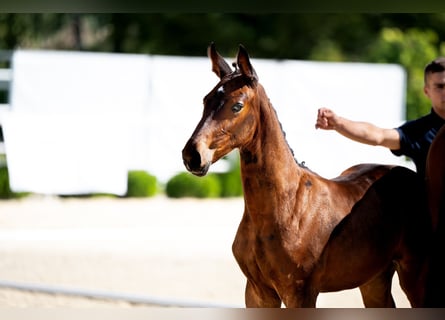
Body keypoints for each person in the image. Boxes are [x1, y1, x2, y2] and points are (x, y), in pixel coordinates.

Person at [315, 57, 445, 178]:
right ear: (427, 91)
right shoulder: (418, 132)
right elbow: (378, 135)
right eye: (440, 86)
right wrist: (338, 123)